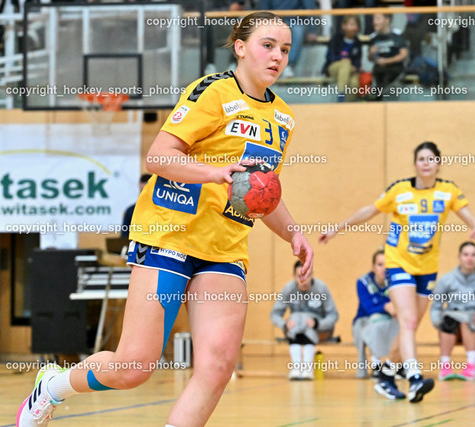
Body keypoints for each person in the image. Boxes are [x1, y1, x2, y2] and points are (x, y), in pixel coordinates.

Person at [16, 12, 314, 427]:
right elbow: (158, 157)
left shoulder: (283, 118)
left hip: (224, 248)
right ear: (241, 47)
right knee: (134, 367)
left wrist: (294, 233)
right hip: (169, 236)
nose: (278, 56)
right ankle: (53, 386)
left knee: (218, 365)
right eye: (268, 45)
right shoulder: (212, 92)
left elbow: (260, 193)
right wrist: (214, 172)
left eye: (285, 48)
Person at [320, 141, 475, 403]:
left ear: (438, 163)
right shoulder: (399, 190)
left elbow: (465, 212)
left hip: (427, 269)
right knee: (407, 322)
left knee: (410, 326)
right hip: (399, 263)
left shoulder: (447, 191)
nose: (426, 163)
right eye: (421, 159)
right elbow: (371, 210)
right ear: (415, 164)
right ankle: (414, 378)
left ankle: (385, 376)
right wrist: (337, 228)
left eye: (431, 159)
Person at [429, 241, 475, 381]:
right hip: (451, 325)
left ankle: (471, 366)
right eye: (466, 255)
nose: (469, 258)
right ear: (459, 257)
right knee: (448, 319)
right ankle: (445, 366)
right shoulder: (446, 280)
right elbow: (436, 307)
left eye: (473, 255)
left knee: (467, 319)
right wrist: (438, 322)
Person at [270, 261, 338, 380]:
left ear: (312, 275)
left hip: (319, 329)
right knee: (297, 318)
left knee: (305, 320)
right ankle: (297, 367)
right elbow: (275, 314)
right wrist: (284, 324)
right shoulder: (288, 289)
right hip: (296, 327)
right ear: (293, 276)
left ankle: (307, 367)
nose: (304, 280)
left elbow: (333, 315)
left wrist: (318, 324)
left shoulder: (321, 288)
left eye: (307, 275)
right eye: (299, 276)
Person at [352, 249, 399, 379]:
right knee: (376, 322)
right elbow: (368, 308)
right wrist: (385, 306)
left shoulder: (395, 282)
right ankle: (376, 365)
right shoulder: (363, 282)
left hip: (388, 320)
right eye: (380, 265)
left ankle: (397, 365)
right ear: (373, 267)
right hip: (364, 321)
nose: (384, 268)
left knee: (402, 324)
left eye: (387, 265)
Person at [367, 13, 408, 101]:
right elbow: (370, 58)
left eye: (378, 19)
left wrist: (386, 61)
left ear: (387, 20)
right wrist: (371, 53)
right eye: (374, 19)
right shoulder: (374, 37)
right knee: (376, 86)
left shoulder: (397, 35)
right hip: (379, 70)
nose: (374, 22)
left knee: (386, 88)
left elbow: (403, 54)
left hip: (395, 69)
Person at [322, 15, 362, 102]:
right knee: (346, 63)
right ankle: (341, 93)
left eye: (356, 25)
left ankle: (349, 105)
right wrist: (341, 59)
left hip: (351, 70)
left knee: (354, 83)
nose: (353, 28)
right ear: (344, 26)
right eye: (351, 24)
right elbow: (330, 56)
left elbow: (358, 61)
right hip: (334, 67)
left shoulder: (358, 42)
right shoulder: (336, 38)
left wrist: (355, 67)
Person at [120, 173, 151, 238]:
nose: (144, 194)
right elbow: (124, 236)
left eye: (147, 191)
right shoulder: (131, 211)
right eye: (142, 191)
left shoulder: (162, 210)